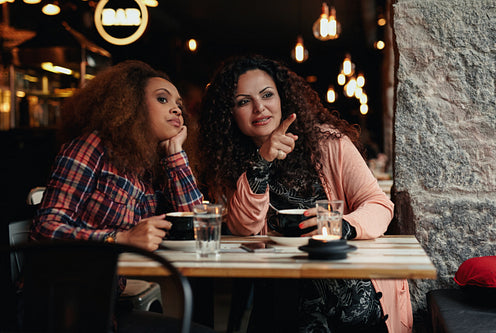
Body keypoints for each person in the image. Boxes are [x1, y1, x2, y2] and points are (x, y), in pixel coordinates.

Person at [197, 55, 412, 333]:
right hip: (282, 294)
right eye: (243, 101)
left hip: (347, 288)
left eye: (267, 95)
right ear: (230, 113)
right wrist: (261, 162)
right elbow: (244, 227)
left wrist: (343, 227)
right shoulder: (230, 165)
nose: (259, 107)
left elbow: (379, 204)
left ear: (282, 98)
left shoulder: (328, 144)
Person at [30, 60, 210, 332]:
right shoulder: (93, 146)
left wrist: (175, 156)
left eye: (179, 104)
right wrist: (120, 239)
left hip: (105, 306)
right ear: (131, 105)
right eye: (163, 99)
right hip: (61, 309)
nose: (176, 108)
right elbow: (46, 230)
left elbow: (196, 223)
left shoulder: (148, 165)